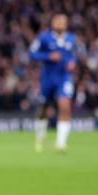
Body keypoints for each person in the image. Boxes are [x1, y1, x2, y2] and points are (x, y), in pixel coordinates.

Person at [28, 14, 76, 152]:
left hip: (64, 77)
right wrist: (48, 56)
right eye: (58, 21)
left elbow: (74, 54)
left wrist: (72, 62)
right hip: (47, 78)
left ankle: (60, 143)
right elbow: (31, 53)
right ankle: (40, 136)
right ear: (52, 23)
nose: (61, 23)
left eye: (64, 21)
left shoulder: (71, 38)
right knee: (43, 107)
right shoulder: (44, 37)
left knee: (65, 105)